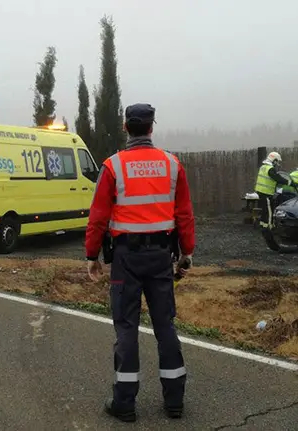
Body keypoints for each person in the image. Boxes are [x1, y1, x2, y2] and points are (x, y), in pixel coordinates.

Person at [85, 103, 195, 422]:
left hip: (126, 258)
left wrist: (92, 256)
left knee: (126, 327)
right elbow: (184, 214)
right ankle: (174, 401)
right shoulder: (172, 165)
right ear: (151, 127)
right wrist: (186, 253)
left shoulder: (112, 167)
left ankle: (125, 403)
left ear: (125, 127)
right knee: (165, 326)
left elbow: (98, 217)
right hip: (162, 256)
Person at [254, 152, 293, 231]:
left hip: (261, 192)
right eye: (277, 161)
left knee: (264, 210)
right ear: (274, 160)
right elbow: (277, 178)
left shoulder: (263, 167)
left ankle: (263, 225)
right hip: (266, 193)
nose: (277, 163)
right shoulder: (270, 169)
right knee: (269, 211)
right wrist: (289, 183)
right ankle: (269, 227)